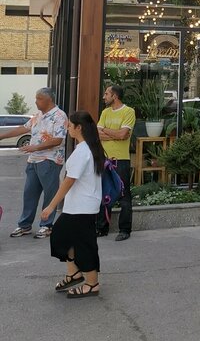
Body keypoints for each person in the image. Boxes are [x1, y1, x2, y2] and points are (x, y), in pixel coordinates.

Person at [41, 110, 104, 298]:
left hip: (81, 207)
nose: (68, 128)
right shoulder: (88, 148)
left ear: (79, 128)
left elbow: (69, 180)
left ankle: (92, 284)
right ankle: (74, 273)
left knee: (83, 244)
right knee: (62, 237)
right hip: (79, 206)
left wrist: (51, 205)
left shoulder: (84, 150)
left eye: (70, 125)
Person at [0, 87, 67, 239]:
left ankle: (46, 226)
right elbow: (23, 128)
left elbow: (58, 140)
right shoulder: (38, 116)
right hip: (33, 160)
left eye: (38, 99)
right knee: (29, 194)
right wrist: (2, 137)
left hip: (49, 160)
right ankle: (24, 225)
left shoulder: (59, 116)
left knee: (50, 195)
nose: (35, 101)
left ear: (48, 100)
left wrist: (34, 147)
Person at [95, 84, 136, 241]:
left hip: (121, 159)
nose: (104, 96)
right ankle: (101, 228)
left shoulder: (128, 112)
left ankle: (125, 229)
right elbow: (98, 134)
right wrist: (115, 134)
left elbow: (124, 134)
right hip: (105, 159)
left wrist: (106, 131)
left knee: (123, 194)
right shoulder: (105, 112)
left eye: (106, 94)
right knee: (104, 193)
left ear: (115, 96)